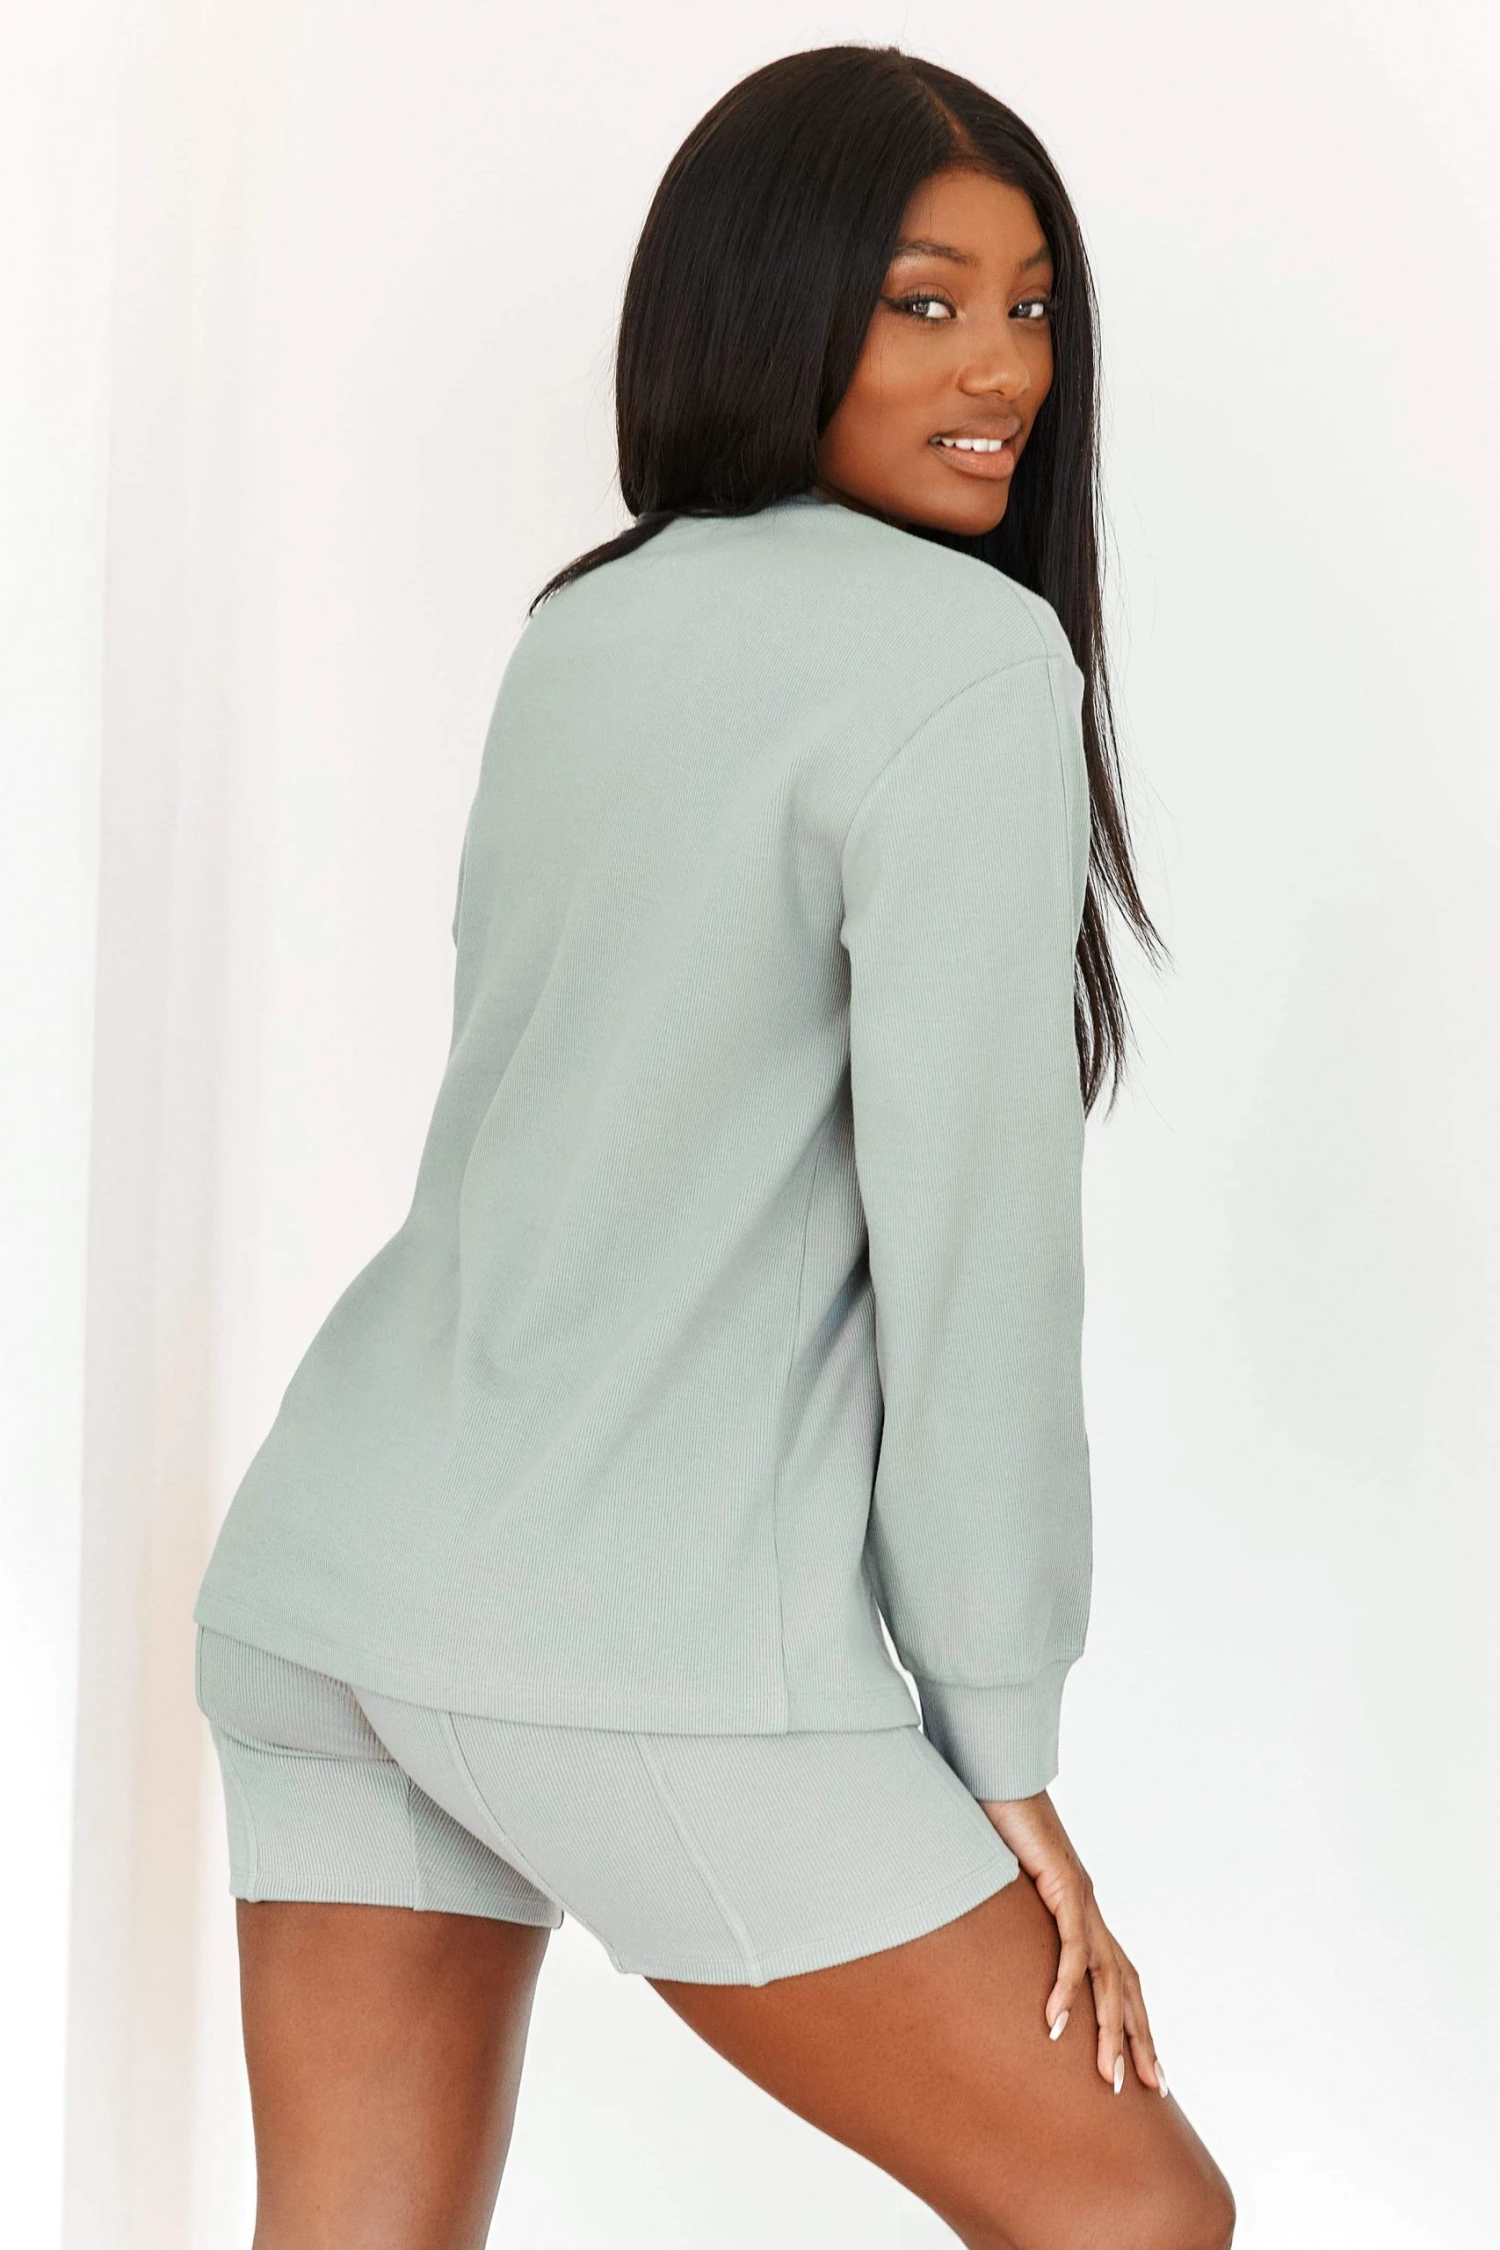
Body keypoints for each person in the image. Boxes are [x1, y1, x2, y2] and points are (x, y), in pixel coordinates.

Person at [191, 42, 1236, 2250]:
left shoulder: (591, 619)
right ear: (768, 307)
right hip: (631, 1636)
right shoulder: (969, 665)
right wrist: (1000, 1745)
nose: (1003, 369)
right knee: (1133, 2218)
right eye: (924, 301)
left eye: (1031, 306)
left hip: (330, 1583)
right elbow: (976, 1262)